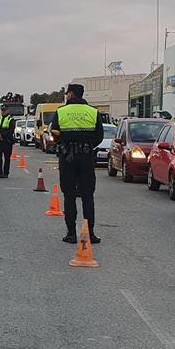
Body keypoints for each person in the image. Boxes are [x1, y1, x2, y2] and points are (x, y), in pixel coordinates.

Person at [52, 84, 103, 244]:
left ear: (72, 94)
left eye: (67, 93)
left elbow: (54, 133)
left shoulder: (61, 112)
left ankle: (71, 233)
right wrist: (87, 146)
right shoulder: (93, 112)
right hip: (86, 157)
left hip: (67, 157)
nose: (66, 96)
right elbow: (99, 135)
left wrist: (64, 144)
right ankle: (90, 234)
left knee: (69, 195)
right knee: (88, 195)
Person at [0, 104, 15, 178]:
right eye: (2, 110)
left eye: (5, 110)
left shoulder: (10, 119)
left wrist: (1, 135)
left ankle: (5, 173)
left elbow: (11, 130)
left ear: (8, 110)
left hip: (7, 141)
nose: (3, 111)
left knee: (7, 158)